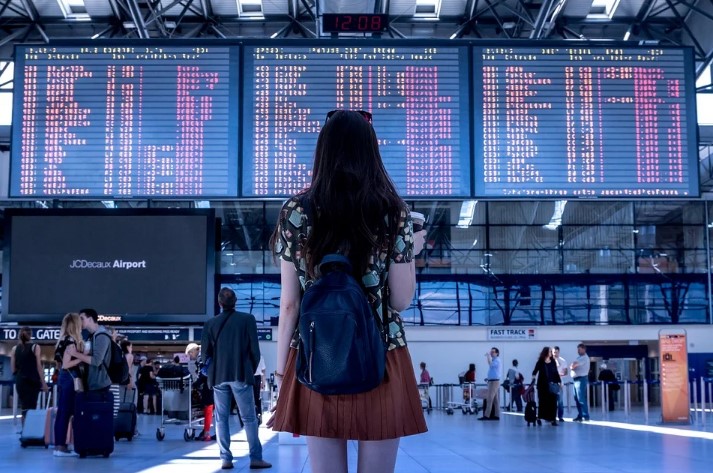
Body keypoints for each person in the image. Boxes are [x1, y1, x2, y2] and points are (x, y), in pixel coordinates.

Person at [268, 109, 428, 473]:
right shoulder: (394, 212)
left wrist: (281, 374)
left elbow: (290, 304)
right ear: (371, 152)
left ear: (323, 151)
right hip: (382, 355)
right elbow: (401, 301)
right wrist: (409, 253)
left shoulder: (296, 210)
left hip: (316, 353)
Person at [201, 287, 271, 470]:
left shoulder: (210, 323)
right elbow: (255, 351)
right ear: (235, 302)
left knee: (221, 418)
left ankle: (225, 459)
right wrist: (250, 370)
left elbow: (204, 355)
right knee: (249, 418)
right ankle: (256, 458)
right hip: (241, 374)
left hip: (218, 376)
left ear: (219, 303)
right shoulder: (247, 320)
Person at [53, 313, 85, 457]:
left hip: (63, 378)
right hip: (71, 379)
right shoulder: (71, 341)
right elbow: (67, 364)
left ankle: (60, 445)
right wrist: (82, 358)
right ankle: (60, 447)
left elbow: (60, 364)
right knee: (67, 413)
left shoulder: (61, 341)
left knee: (62, 413)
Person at [66, 309, 112, 394]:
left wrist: (75, 354)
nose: (80, 321)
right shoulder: (91, 336)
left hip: (99, 385)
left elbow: (96, 361)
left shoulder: (101, 336)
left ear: (90, 319)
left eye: (82, 318)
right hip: (92, 384)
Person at [11, 326, 49, 423]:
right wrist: (44, 383)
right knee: (31, 408)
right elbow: (39, 367)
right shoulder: (35, 347)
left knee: (24, 407)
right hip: (32, 381)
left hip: (20, 381)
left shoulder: (14, 349)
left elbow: (13, 369)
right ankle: (29, 432)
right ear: (31, 335)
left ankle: (24, 432)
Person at [186, 343, 215, 442]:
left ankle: (206, 433)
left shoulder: (202, 357)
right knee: (212, 409)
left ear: (193, 351)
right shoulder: (206, 355)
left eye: (189, 354)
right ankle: (207, 432)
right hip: (215, 384)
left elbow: (204, 374)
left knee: (208, 408)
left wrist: (195, 385)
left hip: (209, 386)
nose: (190, 357)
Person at [532, 347, 561, 426]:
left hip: (552, 384)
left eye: (551, 352)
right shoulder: (540, 362)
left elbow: (556, 372)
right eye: (549, 352)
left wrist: (559, 382)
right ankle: (540, 417)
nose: (551, 353)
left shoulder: (553, 361)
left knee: (553, 402)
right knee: (543, 402)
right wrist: (533, 378)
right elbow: (535, 371)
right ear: (545, 352)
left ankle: (553, 419)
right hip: (542, 386)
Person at [570, 343, 591, 422]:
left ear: (584, 349)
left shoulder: (584, 358)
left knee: (581, 398)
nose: (578, 351)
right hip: (576, 380)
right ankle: (580, 415)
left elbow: (573, 365)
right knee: (576, 398)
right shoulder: (579, 357)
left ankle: (586, 416)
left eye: (579, 349)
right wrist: (572, 365)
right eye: (577, 349)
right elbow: (572, 365)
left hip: (581, 379)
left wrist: (572, 366)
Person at [479, 347, 501, 421]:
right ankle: (497, 415)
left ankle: (487, 415)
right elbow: (493, 371)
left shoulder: (497, 360)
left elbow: (490, 365)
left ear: (497, 353)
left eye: (493, 352)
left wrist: (488, 357)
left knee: (489, 398)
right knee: (495, 400)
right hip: (491, 381)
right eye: (491, 352)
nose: (491, 353)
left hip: (494, 382)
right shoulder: (495, 360)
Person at [553, 346, 569, 422]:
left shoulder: (563, 361)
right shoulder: (549, 361)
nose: (555, 354)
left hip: (559, 383)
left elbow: (566, 372)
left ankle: (560, 416)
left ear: (559, 352)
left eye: (556, 352)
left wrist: (560, 375)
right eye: (554, 352)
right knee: (551, 400)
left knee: (560, 401)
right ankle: (551, 416)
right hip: (551, 383)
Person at [119, 340, 135, 404]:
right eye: (131, 347)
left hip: (121, 378)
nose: (132, 348)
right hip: (127, 378)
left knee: (121, 396)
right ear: (127, 347)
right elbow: (128, 368)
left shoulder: (122, 355)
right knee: (128, 398)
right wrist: (130, 380)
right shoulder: (130, 356)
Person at [253, 355, 266, 425]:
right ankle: (258, 414)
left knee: (253, 398)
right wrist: (263, 382)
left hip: (251, 377)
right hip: (257, 378)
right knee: (257, 397)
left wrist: (263, 382)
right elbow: (263, 370)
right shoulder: (260, 356)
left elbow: (263, 370)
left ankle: (256, 415)